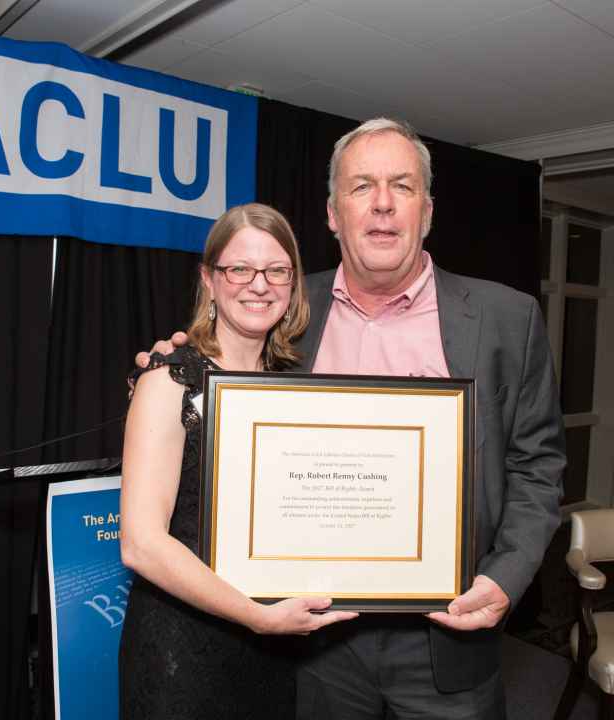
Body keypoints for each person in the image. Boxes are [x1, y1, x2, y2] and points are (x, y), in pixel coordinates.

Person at [137, 118, 566, 719]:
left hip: (448, 636)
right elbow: (218, 375)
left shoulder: (506, 319)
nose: (384, 205)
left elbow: (538, 466)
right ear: (334, 213)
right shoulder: (285, 311)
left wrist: (504, 578)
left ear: (428, 210)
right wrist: (171, 363)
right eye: (362, 186)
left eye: (403, 186)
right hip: (316, 644)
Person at [118, 203, 357, 720]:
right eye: (239, 269)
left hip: (273, 648)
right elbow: (141, 544)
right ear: (209, 280)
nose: (259, 285)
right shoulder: (169, 380)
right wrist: (256, 616)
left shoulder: (296, 385)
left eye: (276, 271)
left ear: (293, 284)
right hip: (182, 647)